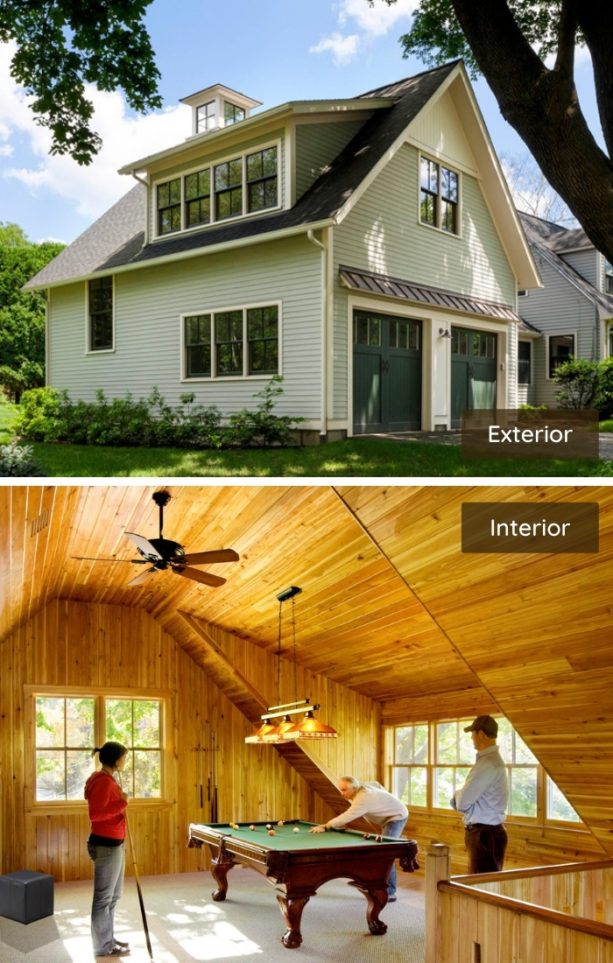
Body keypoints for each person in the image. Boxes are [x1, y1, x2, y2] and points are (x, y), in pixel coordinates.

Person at [309, 776, 408, 901]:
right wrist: (385, 799)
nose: (342, 793)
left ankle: (390, 892)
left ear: (354, 788)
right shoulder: (362, 786)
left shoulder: (363, 798)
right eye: (341, 790)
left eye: (344, 790)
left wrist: (326, 825)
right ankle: (374, 884)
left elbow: (348, 816)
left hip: (396, 816)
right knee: (381, 853)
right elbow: (377, 784)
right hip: (388, 817)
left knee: (386, 854)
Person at [84, 742, 131, 958]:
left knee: (113, 897)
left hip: (114, 843)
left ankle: (108, 938)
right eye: (123, 757)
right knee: (103, 898)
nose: (125, 761)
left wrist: (119, 800)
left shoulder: (107, 779)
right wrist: (122, 803)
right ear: (114, 759)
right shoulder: (103, 781)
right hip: (106, 845)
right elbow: (96, 814)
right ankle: (102, 946)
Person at [451, 715, 509, 874]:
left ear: (481, 734)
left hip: (485, 835)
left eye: (473, 733)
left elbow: (462, 802)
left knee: (481, 886)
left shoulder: (487, 764)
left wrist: (456, 795)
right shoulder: (491, 761)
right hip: (487, 833)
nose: (471, 738)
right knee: (485, 884)